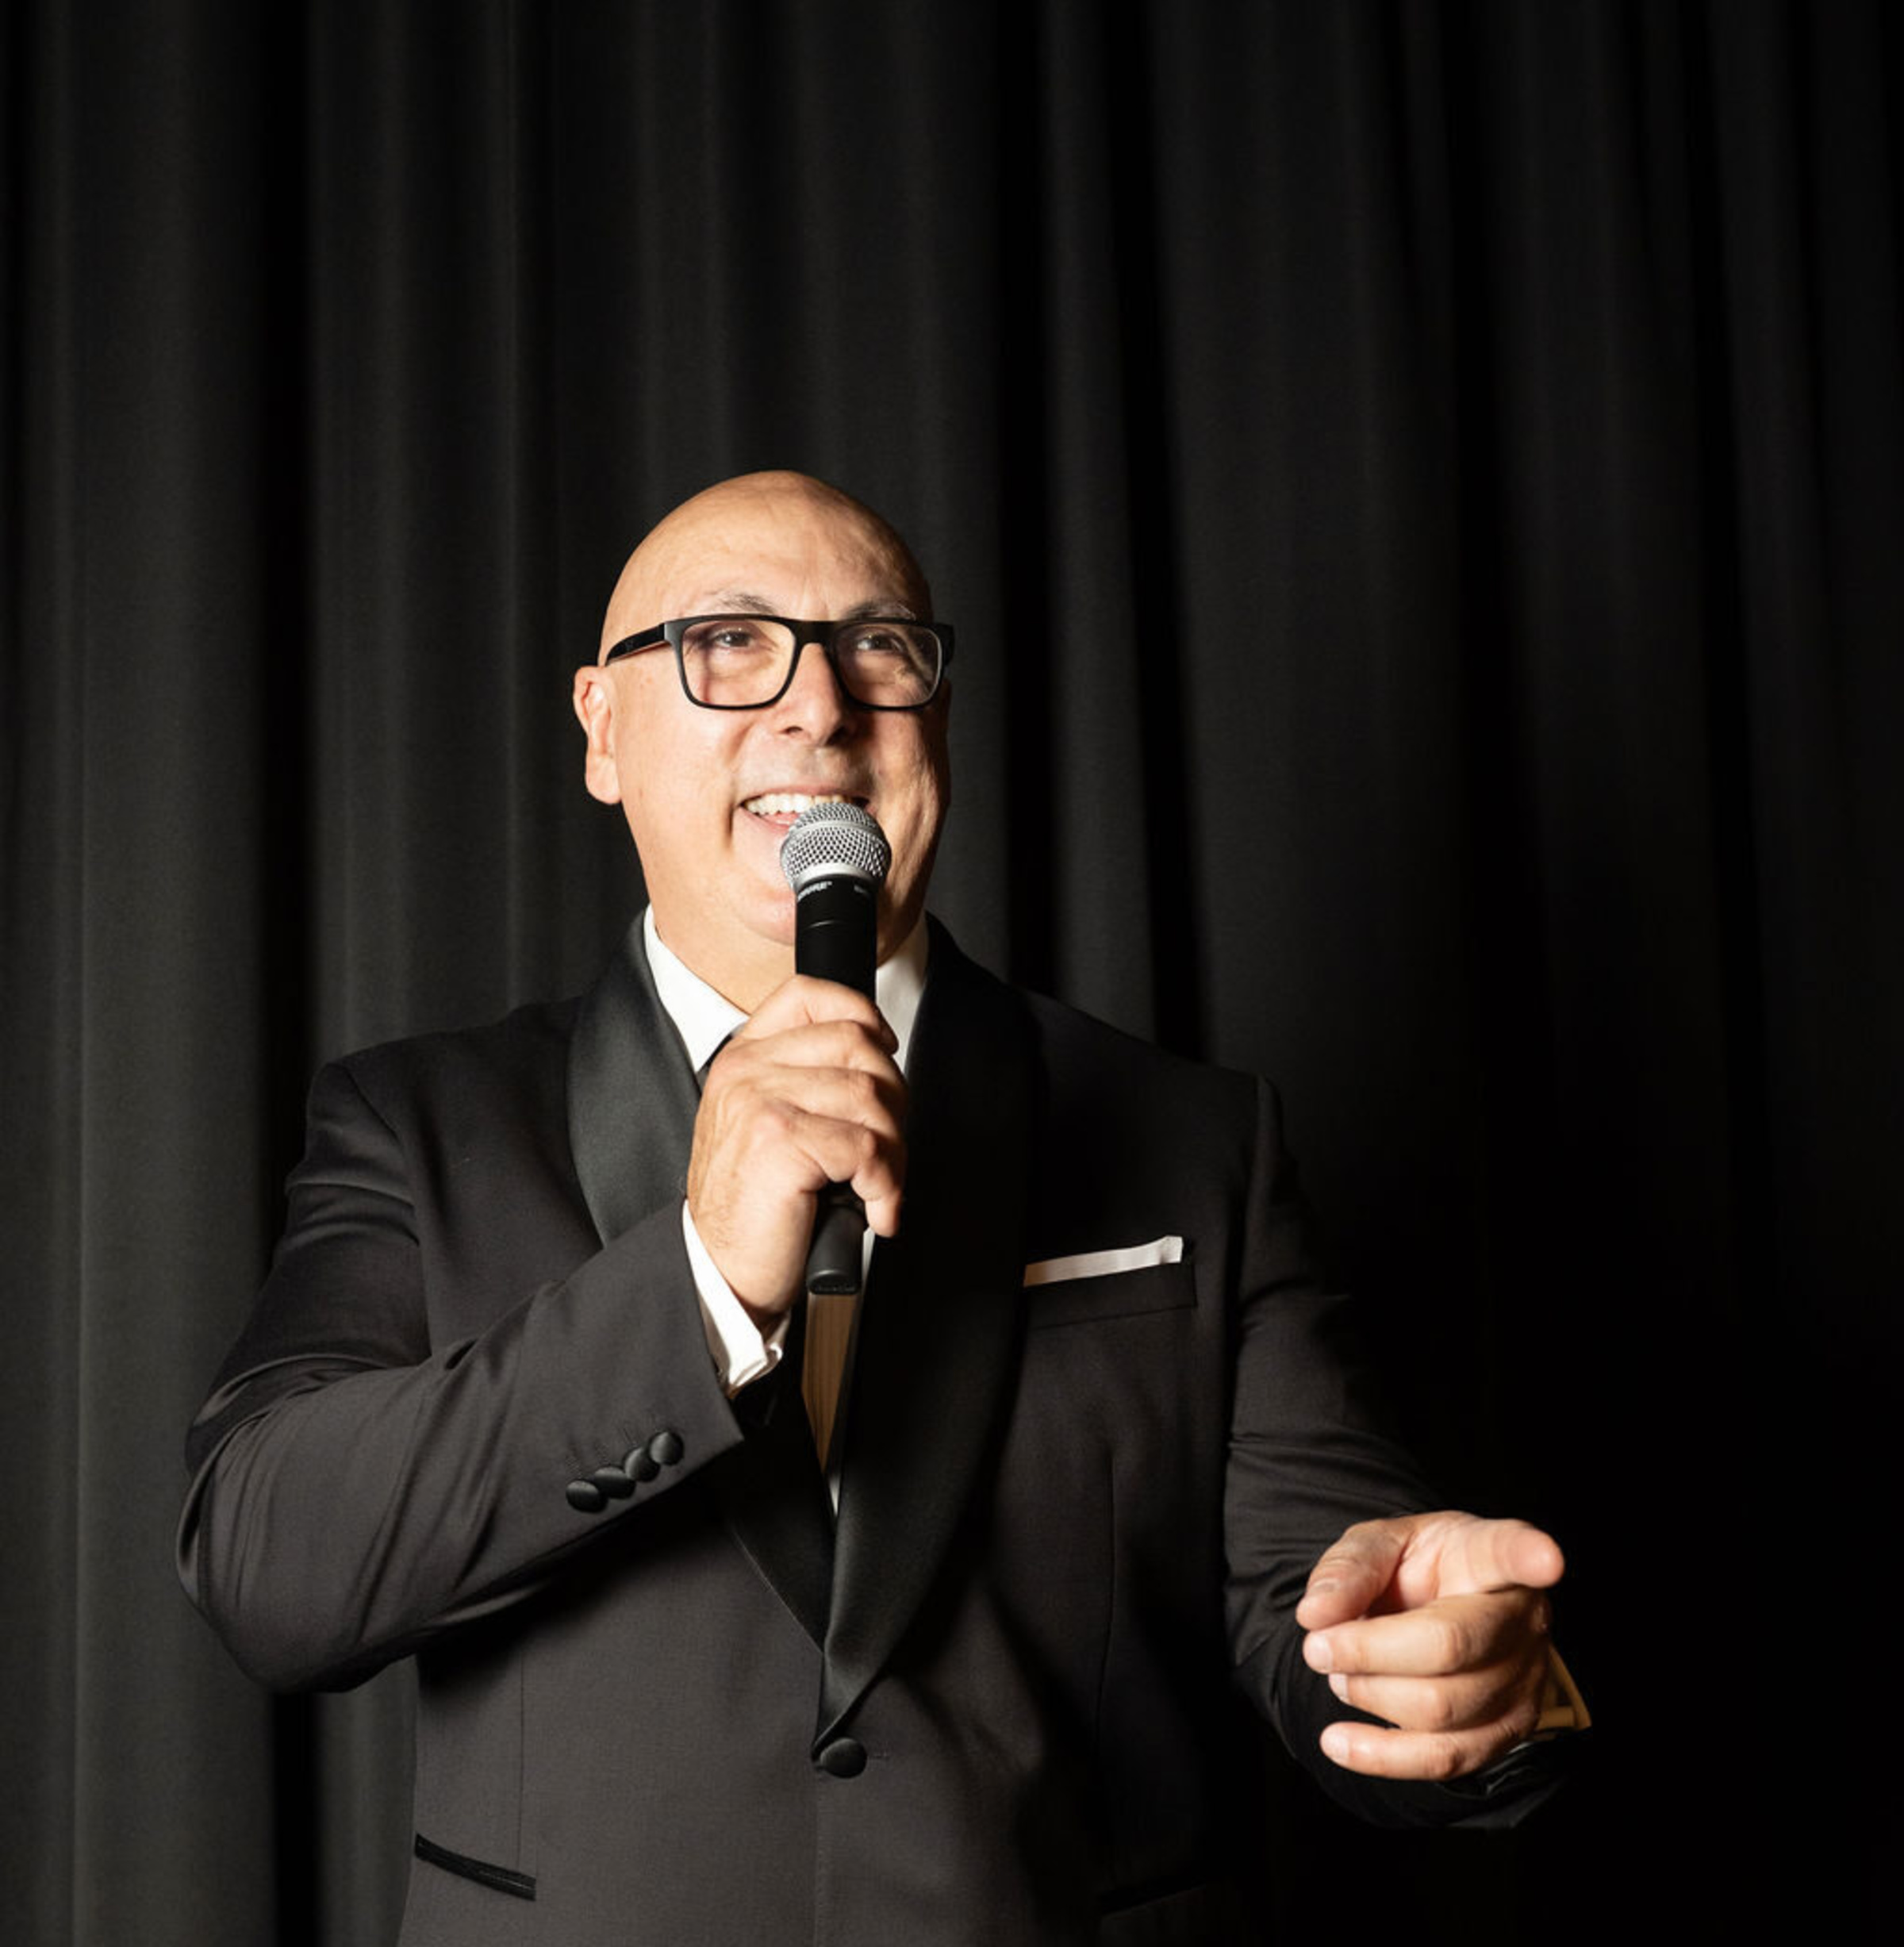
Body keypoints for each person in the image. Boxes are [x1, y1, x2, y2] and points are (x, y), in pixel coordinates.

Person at [179, 471, 1579, 1945]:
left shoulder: (1193, 1137)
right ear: (601, 729)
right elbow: (270, 1565)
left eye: (880, 649)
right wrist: (702, 1278)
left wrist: (1457, 1681)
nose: (819, 709)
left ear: (940, 718)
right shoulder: (420, 1125)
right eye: (729, 641)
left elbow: (1334, 1606)